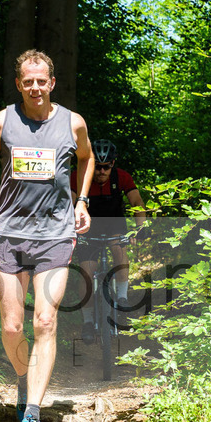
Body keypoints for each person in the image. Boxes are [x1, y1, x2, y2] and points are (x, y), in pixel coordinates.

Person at [0, 50, 93, 422]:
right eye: (28, 81)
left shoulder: (73, 123)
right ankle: (24, 376)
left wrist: (82, 201)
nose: (35, 87)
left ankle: (33, 415)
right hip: (9, 234)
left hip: (55, 235)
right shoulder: (2, 122)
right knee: (12, 327)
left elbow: (87, 159)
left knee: (44, 320)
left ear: (52, 83)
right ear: (19, 83)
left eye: (42, 81)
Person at [75, 139, 146, 344]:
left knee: (119, 250)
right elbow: (69, 204)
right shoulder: (79, 177)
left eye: (106, 167)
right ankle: (88, 321)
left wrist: (140, 227)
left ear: (113, 164)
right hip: (88, 229)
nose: (101, 171)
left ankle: (122, 298)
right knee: (87, 273)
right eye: (97, 166)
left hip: (115, 226)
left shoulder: (122, 177)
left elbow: (137, 202)